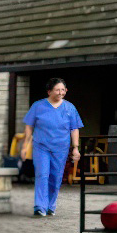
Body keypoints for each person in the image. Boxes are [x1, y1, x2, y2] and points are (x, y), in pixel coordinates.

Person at [20, 78, 83, 217]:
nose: (60, 92)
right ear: (49, 91)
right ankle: (40, 206)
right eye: (57, 90)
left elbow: (74, 129)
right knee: (42, 174)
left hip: (61, 148)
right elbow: (29, 126)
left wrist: (75, 147)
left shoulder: (70, 108)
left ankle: (50, 205)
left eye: (63, 90)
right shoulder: (38, 106)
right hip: (41, 146)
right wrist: (25, 146)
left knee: (55, 177)